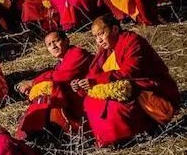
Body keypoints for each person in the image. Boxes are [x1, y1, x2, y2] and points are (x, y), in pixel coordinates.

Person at [76, 15, 181, 147]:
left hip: (148, 87)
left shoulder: (132, 41)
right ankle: (108, 140)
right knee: (91, 101)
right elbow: (93, 74)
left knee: (114, 105)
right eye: (96, 37)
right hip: (122, 85)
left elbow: (129, 71)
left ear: (114, 29)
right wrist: (83, 84)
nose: (99, 40)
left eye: (101, 34)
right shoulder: (105, 51)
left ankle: (136, 133)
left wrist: (97, 81)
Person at [15, 31, 92, 140]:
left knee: (49, 91)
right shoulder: (61, 62)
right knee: (44, 94)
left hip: (84, 102)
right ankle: (33, 131)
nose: (53, 47)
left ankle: (47, 132)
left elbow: (60, 77)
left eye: (56, 41)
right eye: (49, 45)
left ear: (66, 41)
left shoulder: (77, 53)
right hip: (74, 100)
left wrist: (33, 82)